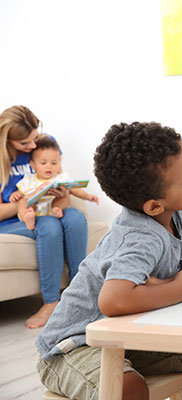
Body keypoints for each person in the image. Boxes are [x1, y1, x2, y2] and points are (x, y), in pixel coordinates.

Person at [35, 121, 182, 400]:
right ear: (154, 206)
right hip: (73, 347)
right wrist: (179, 287)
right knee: (128, 387)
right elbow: (114, 301)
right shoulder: (139, 236)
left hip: (129, 339)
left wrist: (165, 286)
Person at [0, 105, 88, 329]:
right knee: (49, 224)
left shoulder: (42, 149)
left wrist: (62, 194)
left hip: (46, 211)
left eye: (35, 137)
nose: (32, 146)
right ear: (6, 140)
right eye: (24, 143)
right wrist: (24, 202)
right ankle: (50, 302)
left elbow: (62, 198)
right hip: (14, 221)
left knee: (74, 217)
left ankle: (80, 297)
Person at [10, 134, 99, 230]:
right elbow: (20, 192)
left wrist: (88, 196)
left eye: (54, 163)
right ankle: (27, 218)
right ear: (33, 165)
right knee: (22, 201)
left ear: (59, 163)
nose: (49, 166)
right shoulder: (29, 179)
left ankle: (56, 210)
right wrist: (16, 195)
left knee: (64, 196)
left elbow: (75, 188)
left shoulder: (61, 178)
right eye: (43, 163)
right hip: (34, 210)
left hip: (52, 207)